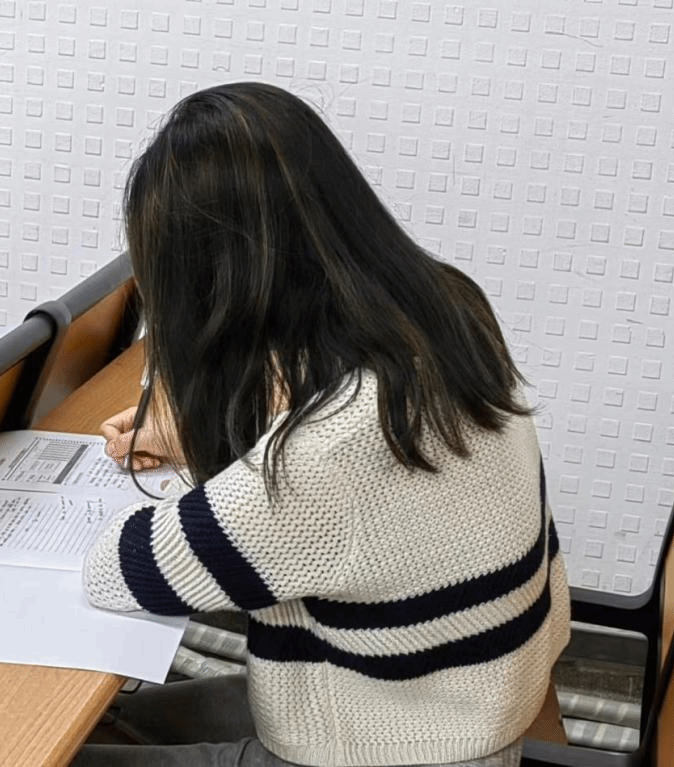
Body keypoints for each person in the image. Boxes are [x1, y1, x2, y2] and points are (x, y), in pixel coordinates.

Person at [73, 81, 570, 767]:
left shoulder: (326, 457)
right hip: (453, 696)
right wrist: (207, 436)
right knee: (99, 725)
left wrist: (220, 446)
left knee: (45, 748)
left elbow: (119, 569)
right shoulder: (449, 312)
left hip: (393, 742)